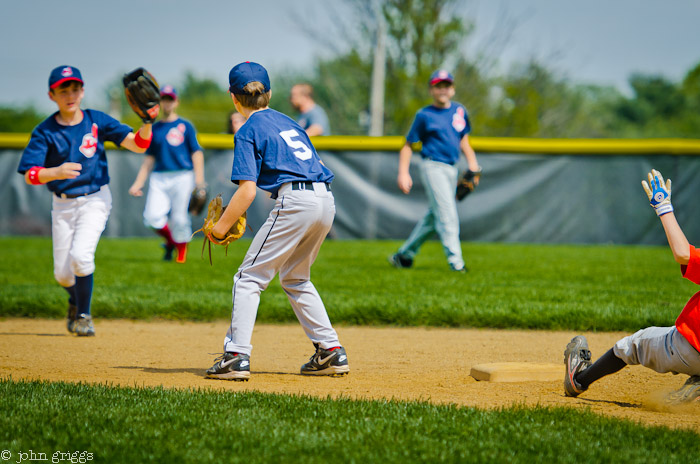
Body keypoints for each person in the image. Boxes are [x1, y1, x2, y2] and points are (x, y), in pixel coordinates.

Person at [205, 61, 349, 381]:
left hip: (296, 201)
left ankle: (236, 356)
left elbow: (246, 193)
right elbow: (317, 161)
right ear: (269, 93)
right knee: (296, 277)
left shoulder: (248, 129)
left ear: (234, 98)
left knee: (248, 278)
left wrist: (219, 228)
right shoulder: (289, 122)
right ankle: (330, 351)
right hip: (325, 198)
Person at [17, 65, 156, 336]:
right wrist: (55, 172)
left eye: (75, 88)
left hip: (95, 199)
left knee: (81, 257)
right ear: (51, 95)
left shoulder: (96, 120)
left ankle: (83, 315)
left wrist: (147, 123)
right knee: (62, 275)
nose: (70, 95)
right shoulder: (45, 131)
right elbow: (30, 175)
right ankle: (75, 300)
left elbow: (138, 145)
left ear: (82, 91)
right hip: (62, 204)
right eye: (63, 90)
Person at [564, 169, 700, 404]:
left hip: (689, 346)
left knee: (631, 345)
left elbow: (682, 253)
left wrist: (663, 206)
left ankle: (578, 380)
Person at [389, 69, 480, 273]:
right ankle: (456, 263)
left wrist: (473, 164)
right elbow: (408, 145)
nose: (442, 89)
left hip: (452, 168)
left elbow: (463, 139)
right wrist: (403, 172)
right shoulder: (424, 115)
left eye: (446, 85)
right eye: (438, 86)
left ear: (453, 89)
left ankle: (404, 255)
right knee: (447, 213)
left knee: (434, 216)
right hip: (432, 166)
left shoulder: (459, 111)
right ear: (431, 89)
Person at [128, 85, 205, 263]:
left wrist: (199, 181)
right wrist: (138, 183)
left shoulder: (185, 126)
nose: (167, 102)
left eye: (170, 99)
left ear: (176, 102)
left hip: (183, 175)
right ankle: (172, 242)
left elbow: (197, 153)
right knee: (152, 218)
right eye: (164, 99)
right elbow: (149, 159)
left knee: (179, 218)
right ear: (160, 102)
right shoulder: (154, 128)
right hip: (159, 176)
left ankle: (181, 256)